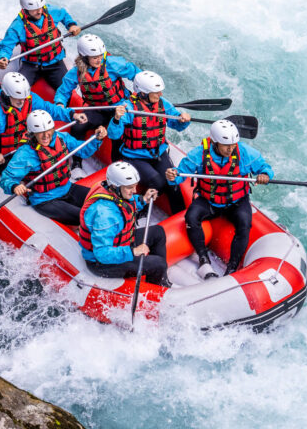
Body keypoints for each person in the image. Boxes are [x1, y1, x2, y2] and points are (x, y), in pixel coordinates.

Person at [165, 120, 273, 279]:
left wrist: (265, 175)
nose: (231, 149)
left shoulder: (245, 152)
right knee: (191, 217)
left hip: (236, 202)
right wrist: (172, 176)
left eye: (233, 144)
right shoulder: (199, 154)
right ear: (215, 143)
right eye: (226, 145)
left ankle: (232, 267)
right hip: (209, 201)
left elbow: (264, 168)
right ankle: (203, 258)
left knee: (244, 224)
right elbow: (180, 175)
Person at [0, 110, 116, 226]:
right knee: (87, 217)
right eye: (40, 132)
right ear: (32, 133)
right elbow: (7, 178)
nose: (45, 135)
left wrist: (97, 139)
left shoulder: (61, 138)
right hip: (45, 200)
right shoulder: (24, 154)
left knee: (104, 200)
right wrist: (15, 186)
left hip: (67, 188)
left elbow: (84, 151)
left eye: (48, 130)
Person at [107, 71, 191, 213]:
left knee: (172, 182)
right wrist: (116, 118)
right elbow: (113, 135)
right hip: (134, 156)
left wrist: (183, 119)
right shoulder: (128, 108)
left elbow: (176, 124)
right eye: (156, 92)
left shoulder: (163, 104)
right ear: (143, 93)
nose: (160, 95)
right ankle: (140, 209)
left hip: (158, 152)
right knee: (157, 182)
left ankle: (182, 215)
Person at [0, 72, 82, 172]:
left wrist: (71, 114)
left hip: (19, 146)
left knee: (50, 156)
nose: (22, 102)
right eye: (18, 98)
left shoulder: (27, 98)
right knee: (34, 170)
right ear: (7, 93)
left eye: (24, 98)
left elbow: (48, 108)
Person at [78, 161, 172, 287]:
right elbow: (102, 254)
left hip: (119, 244)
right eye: (129, 187)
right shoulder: (105, 215)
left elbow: (126, 206)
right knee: (159, 264)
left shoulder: (112, 191)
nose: (134, 191)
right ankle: (153, 294)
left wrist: (143, 199)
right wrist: (133, 251)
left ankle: (161, 282)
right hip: (102, 264)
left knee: (158, 232)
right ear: (116, 186)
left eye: (134, 186)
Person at [54, 34, 140, 144]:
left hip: (121, 106)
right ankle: (77, 160)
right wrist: (60, 103)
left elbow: (137, 75)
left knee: (120, 135)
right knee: (77, 127)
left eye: (100, 55)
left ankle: (121, 159)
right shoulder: (76, 72)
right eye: (95, 58)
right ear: (85, 57)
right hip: (98, 110)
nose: (99, 60)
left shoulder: (112, 63)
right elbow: (63, 91)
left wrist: (141, 93)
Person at [0, 0, 81, 89]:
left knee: (67, 90)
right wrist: (3, 57)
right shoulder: (17, 25)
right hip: (31, 65)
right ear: (26, 9)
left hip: (55, 62)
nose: (39, 11)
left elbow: (63, 14)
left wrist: (71, 25)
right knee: (18, 88)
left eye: (40, 7)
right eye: (34, 10)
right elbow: (6, 46)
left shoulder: (50, 11)